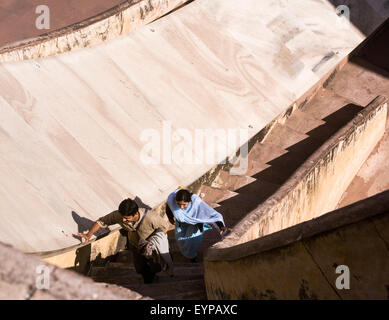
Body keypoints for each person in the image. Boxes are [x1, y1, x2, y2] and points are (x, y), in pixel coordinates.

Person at [77, 198, 174, 283]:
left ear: (135, 214)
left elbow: (165, 227)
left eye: (127, 218)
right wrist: (88, 235)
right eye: (122, 217)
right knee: (140, 268)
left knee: (156, 266)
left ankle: (154, 276)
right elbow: (101, 222)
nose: (123, 220)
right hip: (135, 245)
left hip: (151, 247)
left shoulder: (151, 218)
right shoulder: (119, 216)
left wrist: (154, 243)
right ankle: (149, 280)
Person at [166, 188, 231, 262]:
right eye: (178, 204)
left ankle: (192, 257)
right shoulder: (172, 200)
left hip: (195, 226)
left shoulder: (196, 202)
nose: (181, 207)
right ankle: (188, 254)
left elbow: (210, 214)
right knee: (181, 241)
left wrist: (221, 226)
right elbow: (169, 206)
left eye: (184, 204)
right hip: (181, 225)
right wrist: (170, 217)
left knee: (190, 242)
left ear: (189, 201)